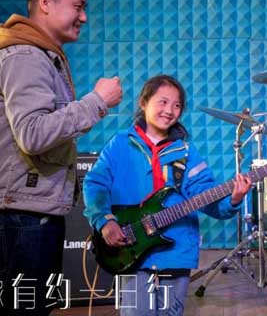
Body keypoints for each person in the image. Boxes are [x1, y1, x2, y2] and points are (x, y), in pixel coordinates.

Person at [0, 0, 123, 315]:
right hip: (18, 215)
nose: (84, 17)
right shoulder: (25, 56)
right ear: (45, 3)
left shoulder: (37, 55)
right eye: (78, 6)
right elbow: (33, 134)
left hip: (25, 211)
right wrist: (97, 102)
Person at [82, 74, 252, 316]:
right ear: (143, 102)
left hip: (177, 252)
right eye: (163, 102)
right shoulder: (119, 144)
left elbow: (207, 197)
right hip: (132, 249)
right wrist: (105, 220)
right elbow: (95, 184)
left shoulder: (186, 152)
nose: (170, 111)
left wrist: (233, 199)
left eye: (177, 105)